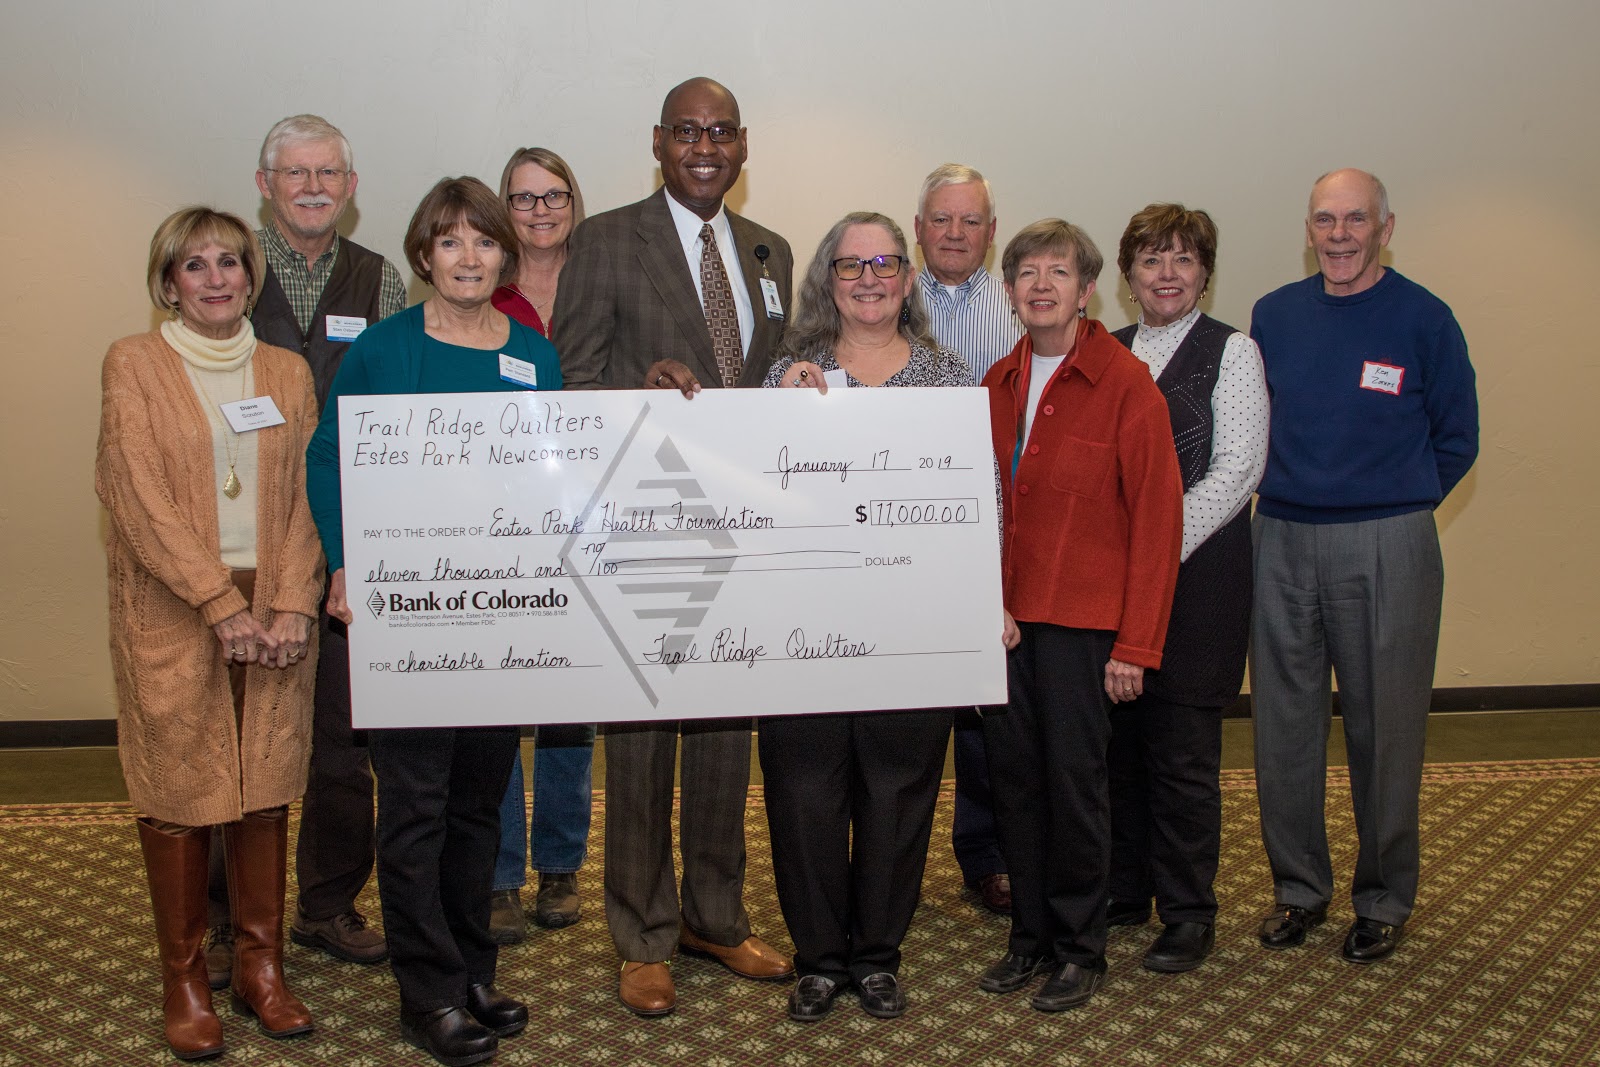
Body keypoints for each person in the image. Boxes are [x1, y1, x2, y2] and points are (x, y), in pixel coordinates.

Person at [550, 76, 795, 1017]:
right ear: (658, 142)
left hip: (746, 526)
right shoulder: (608, 240)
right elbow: (569, 385)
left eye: (721, 131)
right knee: (646, 735)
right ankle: (641, 933)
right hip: (646, 524)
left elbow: (772, 372)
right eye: (687, 130)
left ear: (742, 145)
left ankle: (715, 916)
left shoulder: (768, 249)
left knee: (728, 731)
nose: (705, 144)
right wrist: (632, 393)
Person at [306, 177, 561, 1066]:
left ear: (505, 253)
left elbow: (552, 474)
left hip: (501, 614)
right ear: (424, 256)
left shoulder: (536, 353)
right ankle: (427, 992)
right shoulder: (384, 349)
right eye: (448, 243)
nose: (468, 258)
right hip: (410, 608)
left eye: (483, 242)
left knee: (477, 805)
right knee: (414, 806)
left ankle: (471, 969)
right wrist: (342, 560)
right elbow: (330, 453)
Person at [97, 206, 323, 1059]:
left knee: (265, 782)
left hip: (273, 602)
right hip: (173, 604)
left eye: (230, 262)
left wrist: (293, 600)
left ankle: (261, 969)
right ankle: (187, 976)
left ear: (250, 276)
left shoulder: (287, 371)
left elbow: (308, 494)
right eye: (195, 266)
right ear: (168, 281)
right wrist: (218, 605)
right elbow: (133, 492)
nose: (217, 278)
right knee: (179, 793)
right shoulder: (134, 364)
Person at [1249, 169, 1478, 964]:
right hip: (1279, 537)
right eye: (1325, 220)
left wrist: (1397, 503)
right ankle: (1298, 889)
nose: (1339, 235)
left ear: (1386, 227)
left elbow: (1457, 436)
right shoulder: (1273, 315)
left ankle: (1382, 897)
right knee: (1283, 728)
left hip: (1388, 540)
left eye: (1355, 220)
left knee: (1386, 730)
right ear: (1308, 228)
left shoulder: (1424, 318)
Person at [204, 115, 405, 986]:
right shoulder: (226, 270)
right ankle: (219, 922)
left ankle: (326, 904)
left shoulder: (381, 277)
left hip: (346, 537)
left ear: (351, 188)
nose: (314, 185)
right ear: (265, 182)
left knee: (342, 740)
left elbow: (396, 401)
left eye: (330, 172)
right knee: (231, 736)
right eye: (297, 173)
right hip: (244, 538)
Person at [760, 212, 967, 1022]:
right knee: (805, 786)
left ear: (909, 279)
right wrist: (775, 412)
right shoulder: (788, 375)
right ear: (829, 281)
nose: (870, 278)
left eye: (885, 263)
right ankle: (819, 957)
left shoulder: (950, 381)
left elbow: (976, 501)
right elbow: (751, 495)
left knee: (898, 788)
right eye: (852, 266)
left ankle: (877, 955)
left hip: (912, 623)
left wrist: (978, 602)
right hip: (800, 625)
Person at [978, 219, 1183, 1012]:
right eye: (1025, 272)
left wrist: (1136, 643)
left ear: (1086, 288)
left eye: (1057, 272)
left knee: (1075, 788)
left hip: (1084, 627)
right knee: (1015, 786)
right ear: (1010, 291)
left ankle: (1079, 948)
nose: (1040, 285)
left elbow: (1158, 525)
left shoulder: (1126, 383)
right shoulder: (995, 381)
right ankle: (1028, 936)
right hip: (1005, 628)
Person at [1106, 204, 1270, 972]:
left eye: (1182, 258)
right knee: (1122, 745)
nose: (1166, 273)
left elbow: (1236, 469)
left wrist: (1153, 547)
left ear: (1205, 270)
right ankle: (1126, 886)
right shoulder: (1106, 352)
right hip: (1117, 586)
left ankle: (1188, 910)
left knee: (1181, 751)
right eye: (1150, 259)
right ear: (1128, 276)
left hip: (1198, 580)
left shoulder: (1232, 352)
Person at [485, 146, 596, 941]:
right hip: (500, 517)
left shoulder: (603, 278)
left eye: (554, 195)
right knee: (495, 701)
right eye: (523, 200)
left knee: (570, 700)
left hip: (589, 512)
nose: (540, 211)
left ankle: (559, 866)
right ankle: (497, 874)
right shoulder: (480, 291)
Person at [912, 163, 1020, 915]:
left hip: (994, 517)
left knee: (989, 707)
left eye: (970, 221)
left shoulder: (1019, 303)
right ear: (918, 227)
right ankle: (897, 857)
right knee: (911, 706)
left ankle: (985, 854)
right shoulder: (885, 291)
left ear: (991, 230)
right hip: (903, 521)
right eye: (941, 219)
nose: (955, 233)